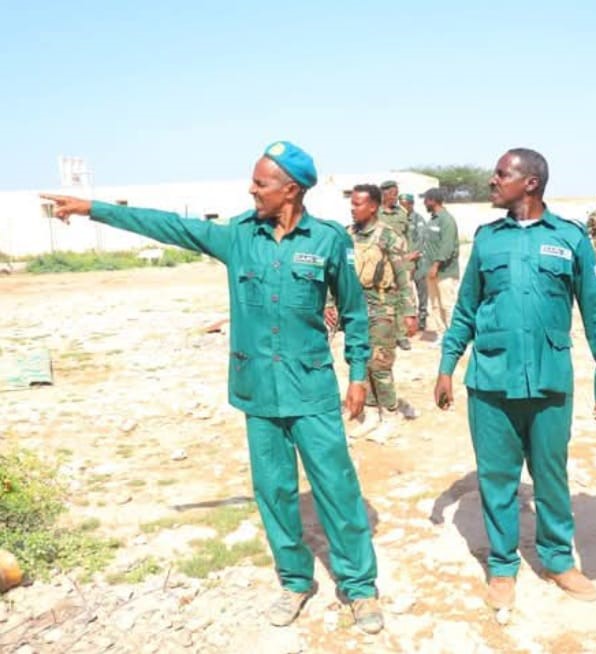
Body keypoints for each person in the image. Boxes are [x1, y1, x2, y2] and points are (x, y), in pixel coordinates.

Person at [40, 142, 384, 634]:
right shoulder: (239, 236)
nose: (251, 189)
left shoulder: (329, 241)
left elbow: (354, 313)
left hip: (310, 389)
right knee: (275, 491)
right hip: (258, 391)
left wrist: (356, 375)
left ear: (290, 190)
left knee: (337, 487)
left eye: (260, 183)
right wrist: (94, 208)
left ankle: (360, 587)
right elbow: (172, 226)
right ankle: (294, 581)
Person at [434, 148, 596, 611]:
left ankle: (558, 559)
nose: (493, 181)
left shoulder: (570, 238)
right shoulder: (487, 240)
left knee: (550, 476)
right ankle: (502, 566)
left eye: (502, 174)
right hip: (491, 382)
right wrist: (447, 364)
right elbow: (465, 309)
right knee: (497, 479)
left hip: (549, 381)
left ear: (531, 183)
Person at [326, 184, 418, 437]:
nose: (352, 208)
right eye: (352, 203)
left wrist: (410, 313)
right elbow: (333, 273)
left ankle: (389, 414)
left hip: (382, 307)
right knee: (359, 362)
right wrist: (328, 304)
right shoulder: (346, 236)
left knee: (380, 364)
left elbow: (403, 277)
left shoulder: (389, 237)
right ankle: (369, 411)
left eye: (358, 204)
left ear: (373, 206)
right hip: (353, 309)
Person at [422, 188, 460, 340]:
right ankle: (441, 335)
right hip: (430, 271)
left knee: (447, 305)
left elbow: (447, 246)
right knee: (435, 305)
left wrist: (436, 265)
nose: (424, 203)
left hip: (445, 272)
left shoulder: (446, 220)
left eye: (426, 200)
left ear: (432, 200)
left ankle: (454, 337)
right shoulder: (433, 219)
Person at [379, 180, 412, 351]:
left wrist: (410, 261)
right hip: (380, 264)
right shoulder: (375, 212)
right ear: (383, 194)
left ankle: (402, 335)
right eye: (392, 194)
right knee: (382, 297)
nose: (395, 198)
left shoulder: (402, 213)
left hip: (399, 262)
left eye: (397, 194)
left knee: (401, 297)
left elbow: (408, 237)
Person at [400, 192, 429, 332]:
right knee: (405, 292)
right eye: (401, 204)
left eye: (406, 204)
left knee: (421, 291)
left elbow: (422, 240)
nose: (403, 207)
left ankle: (422, 318)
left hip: (418, 262)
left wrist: (413, 254)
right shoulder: (398, 219)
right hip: (402, 262)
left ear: (411, 205)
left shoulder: (418, 220)